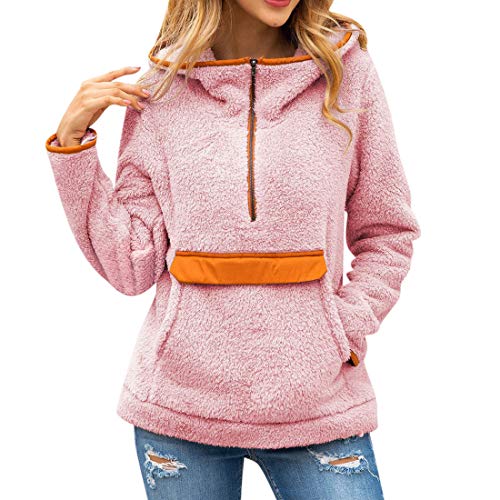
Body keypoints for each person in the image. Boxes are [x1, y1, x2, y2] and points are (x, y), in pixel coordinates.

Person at [45, 1, 421, 498]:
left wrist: (341, 331)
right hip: (180, 409)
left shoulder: (346, 74)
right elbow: (132, 264)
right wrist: (73, 145)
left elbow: (387, 230)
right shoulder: (161, 89)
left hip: (317, 405)